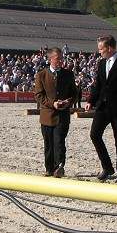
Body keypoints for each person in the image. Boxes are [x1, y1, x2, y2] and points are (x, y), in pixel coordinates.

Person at [85, 36, 117, 184]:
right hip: (103, 106)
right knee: (95, 135)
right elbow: (99, 85)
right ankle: (107, 167)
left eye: (101, 49)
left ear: (109, 48)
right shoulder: (101, 63)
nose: (99, 51)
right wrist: (91, 100)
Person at [33, 47, 77, 177]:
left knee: (59, 141)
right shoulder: (41, 75)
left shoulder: (68, 74)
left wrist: (68, 102)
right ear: (50, 59)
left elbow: (75, 94)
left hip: (62, 116)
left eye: (61, 58)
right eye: (58, 58)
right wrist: (53, 103)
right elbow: (39, 95)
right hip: (47, 116)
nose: (60, 61)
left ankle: (59, 166)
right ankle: (49, 168)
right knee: (49, 144)